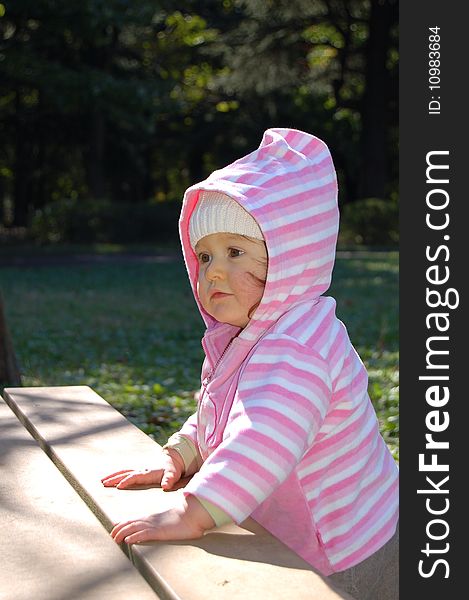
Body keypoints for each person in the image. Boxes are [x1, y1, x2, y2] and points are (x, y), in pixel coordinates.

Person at [102, 128, 399, 599]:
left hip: (347, 549)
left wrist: (192, 513)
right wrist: (183, 451)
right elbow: (221, 410)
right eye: (205, 255)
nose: (213, 270)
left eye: (235, 252)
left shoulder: (298, 347)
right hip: (305, 532)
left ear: (292, 257)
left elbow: (262, 435)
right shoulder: (242, 336)